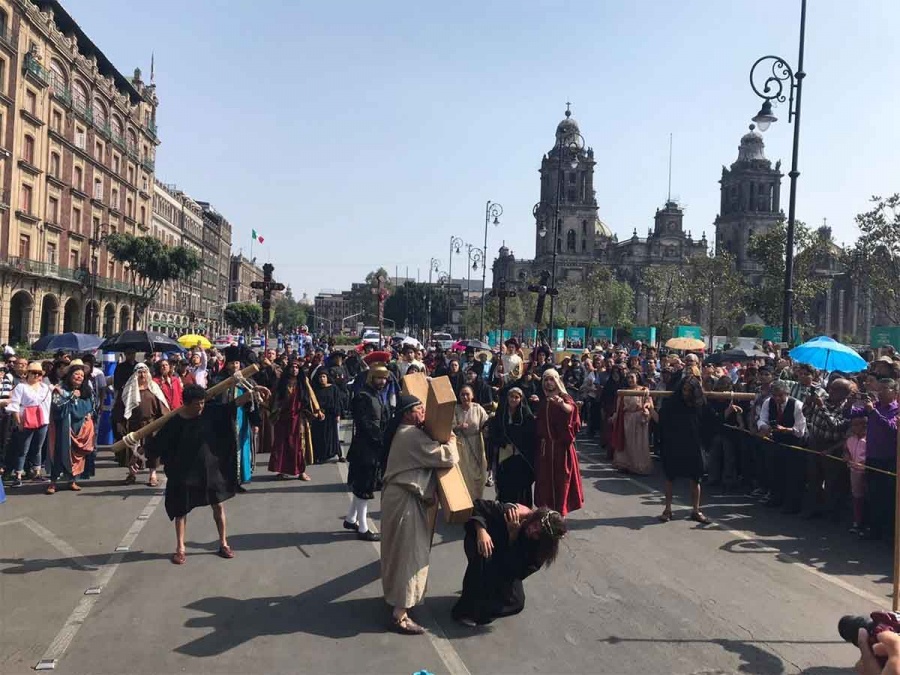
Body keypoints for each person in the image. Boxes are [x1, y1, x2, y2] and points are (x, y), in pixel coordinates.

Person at [147, 384, 270, 565]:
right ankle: (180, 548)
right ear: (186, 403)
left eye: (203, 403)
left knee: (218, 505)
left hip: (210, 469)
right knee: (180, 510)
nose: (200, 407)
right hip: (184, 472)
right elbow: (157, 445)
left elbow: (232, 405)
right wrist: (139, 456)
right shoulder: (174, 422)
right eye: (197, 404)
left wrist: (252, 392)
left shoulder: (210, 412)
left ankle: (223, 543)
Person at [380, 394, 459, 635]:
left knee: (399, 552)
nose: (424, 412)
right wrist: (452, 438)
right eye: (419, 409)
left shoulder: (405, 432)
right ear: (406, 413)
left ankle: (398, 600)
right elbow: (447, 457)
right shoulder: (411, 435)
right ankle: (399, 615)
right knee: (408, 554)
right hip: (405, 500)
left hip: (399, 497)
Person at [452, 500, 567, 626]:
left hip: (507, 561)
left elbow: (514, 572)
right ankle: (466, 608)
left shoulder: (539, 554)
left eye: (538, 534)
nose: (532, 531)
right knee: (482, 567)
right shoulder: (516, 513)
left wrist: (512, 537)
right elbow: (478, 506)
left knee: (517, 602)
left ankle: (481, 603)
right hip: (481, 545)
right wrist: (481, 531)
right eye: (535, 526)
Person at [345, 364, 392, 541]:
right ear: (372, 377)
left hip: (375, 446)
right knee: (364, 486)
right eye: (379, 377)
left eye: (385, 378)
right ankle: (363, 528)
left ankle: (351, 519)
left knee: (364, 484)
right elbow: (364, 423)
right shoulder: (362, 396)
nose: (383, 381)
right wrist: (379, 438)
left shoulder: (378, 395)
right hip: (365, 447)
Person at [658, 375, 710, 524]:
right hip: (674, 444)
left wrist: (728, 410)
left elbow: (711, 420)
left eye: (689, 390)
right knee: (670, 477)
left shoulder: (700, 404)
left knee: (696, 478)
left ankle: (696, 510)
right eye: (684, 389)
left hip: (694, 445)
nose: (685, 393)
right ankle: (667, 509)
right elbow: (662, 420)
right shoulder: (673, 403)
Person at [533, 369, 584, 516]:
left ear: (556, 381)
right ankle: (546, 513)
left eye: (551, 379)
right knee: (545, 482)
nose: (549, 383)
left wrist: (562, 405)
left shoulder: (564, 397)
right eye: (546, 380)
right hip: (546, 448)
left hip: (561, 449)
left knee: (561, 482)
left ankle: (559, 514)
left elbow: (571, 410)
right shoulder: (544, 400)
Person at [113, 363, 170, 486]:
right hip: (133, 425)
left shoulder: (153, 388)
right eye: (139, 372)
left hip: (151, 424)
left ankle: (152, 475)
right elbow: (119, 407)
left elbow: (162, 406)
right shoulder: (127, 389)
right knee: (132, 450)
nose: (142, 375)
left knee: (152, 450)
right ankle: (132, 474)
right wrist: (119, 422)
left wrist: (162, 422)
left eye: (144, 372)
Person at [757, 379, 808, 513]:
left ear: (787, 393)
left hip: (793, 443)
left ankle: (791, 504)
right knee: (775, 470)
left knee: (792, 474)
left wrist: (786, 429)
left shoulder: (797, 405)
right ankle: (776, 497)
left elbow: (800, 430)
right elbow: (762, 419)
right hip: (776, 441)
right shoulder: (768, 403)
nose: (777, 398)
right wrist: (764, 427)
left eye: (780, 395)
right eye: (775, 395)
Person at [46, 361, 95, 494]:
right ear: (69, 375)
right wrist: (72, 396)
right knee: (59, 452)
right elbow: (56, 406)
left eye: (81, 375)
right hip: (63, 427)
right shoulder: (59, 389)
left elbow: (91, 406)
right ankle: (53, 482)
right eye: (76, 374)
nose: (79, 377)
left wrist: (89, 414)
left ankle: (72, 480)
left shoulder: (86, 391)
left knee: (76, 455)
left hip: (79, 427)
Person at [860, 378, 898, 541]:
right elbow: (852, 414)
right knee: (873, 494)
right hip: (872, 457)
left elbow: (892, 429)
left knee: (887, 497)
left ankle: (889, 532)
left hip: (888, 460)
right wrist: (851, 402)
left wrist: (873, 413)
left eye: (884, 389)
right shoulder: (875, 406)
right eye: (879, 389)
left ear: (894, 392)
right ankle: (874, 530)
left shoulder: (896, 410)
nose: (880, 392)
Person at [4, 362, 53, 487]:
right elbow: (14, 405)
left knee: (38, 448)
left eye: (39, 373)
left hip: (42, 420)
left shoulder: (45, 387)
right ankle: (18, 475)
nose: (36, 375)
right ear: (28, 373)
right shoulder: (21, 387)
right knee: (23, 449)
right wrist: (18, 421)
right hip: (26, 420)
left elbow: (49, 404)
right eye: (33, 372)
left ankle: (37, 473)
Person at [268, 360, 318, 480]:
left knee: (299, 445)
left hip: (298, 418)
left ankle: (301, 471)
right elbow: (274, 398)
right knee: (282, 445)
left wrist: (317, 410)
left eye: (297, 367)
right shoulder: (281, 382)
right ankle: (281, 470)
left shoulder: (303, 381)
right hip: (283, 419)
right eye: (292, 367)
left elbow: (311, 396)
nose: (294, 369)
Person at [488, 387, 536, 506]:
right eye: (511, 396)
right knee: (505, 486)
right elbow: (495, 433)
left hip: (521, 458)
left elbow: (530, 437)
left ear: (521, 399)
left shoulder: (527, 416)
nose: (513, 399)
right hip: (504, 455)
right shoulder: (501, 414)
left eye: (516, 397)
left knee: (521, 487)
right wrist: (502, 441)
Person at [610, 371, 655, 475]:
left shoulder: (643, 390)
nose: (630, 380)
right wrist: (615, 417)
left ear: (637, 378)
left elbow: (648, 402)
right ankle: (626, 464)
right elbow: (619, 407)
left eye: (632, 377)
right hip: (627, 419)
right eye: (628, 378)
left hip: (639, 418)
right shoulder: (624, 392)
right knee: (627, 442)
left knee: (638, 442)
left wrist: (646, 407)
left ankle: (638, 466)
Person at [453, 384, 490, 499]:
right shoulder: (455, 409)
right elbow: (450, 427)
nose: (465, 397)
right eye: (462, 394)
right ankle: (465, 501)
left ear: (472, 395)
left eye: (467, 394)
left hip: (476, 443)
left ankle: (477, 501)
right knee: (463, 474)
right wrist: (459, 427)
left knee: (478, 474)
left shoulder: (478, 408)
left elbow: (486, 423)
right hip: (461, 445)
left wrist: (486, 429)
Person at [311, 370, 343, 464]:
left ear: (327, 378)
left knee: (333, 436)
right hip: (319, 415)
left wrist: (338, 414)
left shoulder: (333, 388)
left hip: (331, 415)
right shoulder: (316, 389)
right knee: (319, 436)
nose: (322, 379)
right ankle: (320, 455)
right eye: (320, 377)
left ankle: (338, 454)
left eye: (324, 377)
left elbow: (337, 401)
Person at [846, 410, 868, 533]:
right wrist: (847, 456)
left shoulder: (869, 440)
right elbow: (846, 450)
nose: (854, 427)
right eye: (853, 425)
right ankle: (857, 522)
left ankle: (866, 524)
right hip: (854, 472)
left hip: (865, 472)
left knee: (866, 498)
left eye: (857, 425)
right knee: (856, 497)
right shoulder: (851, 439)